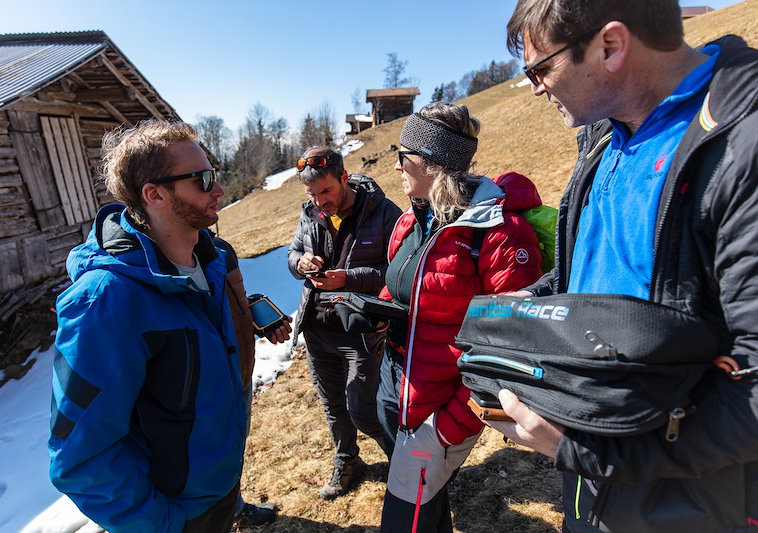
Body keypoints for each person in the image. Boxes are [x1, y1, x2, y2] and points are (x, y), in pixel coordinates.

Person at [491, 2, 758, 532]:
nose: (536, 89)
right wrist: (523, 312)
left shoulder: (740, 144)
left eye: (540, 69)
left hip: (693, 502)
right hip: (593, 483)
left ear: (610, 46)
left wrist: (594, 451)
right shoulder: (603, 135)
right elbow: (596, 271)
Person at [49, 119, 246, 532]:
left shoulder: (207, 260)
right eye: (203, 179)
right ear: (154, 194)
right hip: (175, 514)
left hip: (221, 491)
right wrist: (160, 524)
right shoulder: (106, 300)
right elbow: (79, 458)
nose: (219, 190)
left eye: (215, 174)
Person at [377, 102, 544, 533]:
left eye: (403, 155)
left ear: (433, 163)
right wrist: (373, 311)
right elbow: (400, 284)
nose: (395, 166)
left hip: (444, 406)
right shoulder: (410, 219)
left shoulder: (500, 233)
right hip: (399, 382)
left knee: (402, 518)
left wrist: (450, 427)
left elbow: (511, 349)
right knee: (423, 502)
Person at [287, 146, 402, 499]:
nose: (320, 201)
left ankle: (405, 465)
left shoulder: (385, 213)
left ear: (344, 179)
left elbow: (398, 273)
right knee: (333, 404)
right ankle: (347, 459)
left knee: (364, 411)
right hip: (317, 329)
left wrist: (348, 279)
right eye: (312, 194)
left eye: (326, 191)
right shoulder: (309, 214)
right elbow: (291, 255)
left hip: (362, 332)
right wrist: (301, 263)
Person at [214, 236, 291, 528]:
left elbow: (225, 311)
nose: (217, 191)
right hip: (206, 387)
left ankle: (234, 508)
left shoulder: (219, 249)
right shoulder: (165, 256)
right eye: (202, 185)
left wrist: (257, 319)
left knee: (232, 453)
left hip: (241, 374)